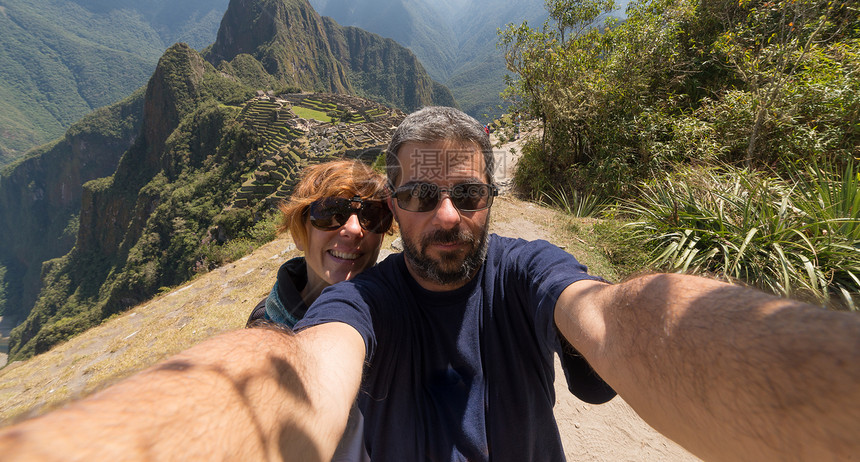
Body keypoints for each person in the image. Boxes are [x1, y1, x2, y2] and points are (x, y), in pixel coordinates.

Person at [1, 107, 858, 462]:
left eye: (467, 193)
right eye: (416, 196)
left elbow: (618, 315)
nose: (443, 214)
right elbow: (299, 368)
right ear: (396, 208)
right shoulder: (355, 305)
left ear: (492, 201)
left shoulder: (527, 272)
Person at [247, 158, 393, 461]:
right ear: (300, 231)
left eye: (372, 216)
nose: (353, 229)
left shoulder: (399, 312)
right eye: (330, 213)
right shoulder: (267, 329)